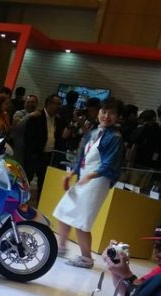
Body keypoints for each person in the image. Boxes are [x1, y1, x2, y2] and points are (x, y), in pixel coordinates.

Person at [53, 98, 125, 268]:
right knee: (63, 210)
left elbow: (110, 164)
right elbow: (82, 156)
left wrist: (90, 176)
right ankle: (61, 248)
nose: (106, 116)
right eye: (104, 111)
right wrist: (72, 173)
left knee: (82, 220)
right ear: (98, 112)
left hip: (98, 181)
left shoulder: (115, 137)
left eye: (112, 113)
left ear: (118, 117)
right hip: (85, 178)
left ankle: (86, 259)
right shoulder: (93, 132)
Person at [23, 94, 64, 200]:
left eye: (60, 104)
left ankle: (39, 204)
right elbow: (28, 137)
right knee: (26, 180)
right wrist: (32, 153)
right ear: (48, 104)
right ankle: (20, 203)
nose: (58, 107)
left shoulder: (58, 120)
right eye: (56, 104)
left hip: (48, 156)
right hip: (34, 155)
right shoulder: (36, 117)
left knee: (43, 183)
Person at [10, 94, 38, 165]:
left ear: (36, 103)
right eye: (28, 102)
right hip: (19, 147)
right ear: (24, 103)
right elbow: (17, 127)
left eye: (33, 102)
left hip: (31, 149)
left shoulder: (38, 115)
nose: (30, 104)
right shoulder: (18, 113)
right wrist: (29, 116)